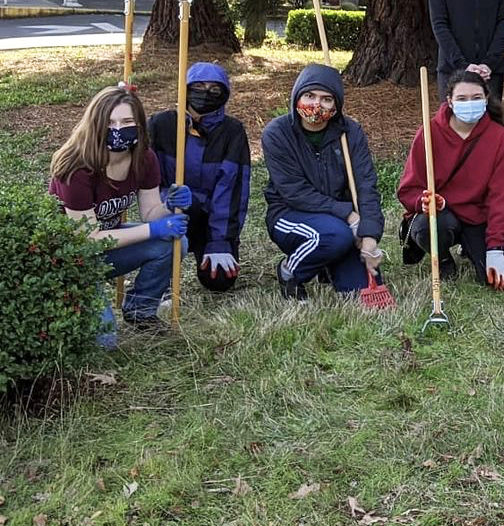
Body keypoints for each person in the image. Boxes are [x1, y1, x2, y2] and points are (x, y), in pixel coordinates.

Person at [49, 86, 190, 341]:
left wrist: (168, 205)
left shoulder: (144, 158)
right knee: (106, 341)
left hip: (107, 250)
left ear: (139, 125)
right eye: (109, 122)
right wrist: (153, 230)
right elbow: (87, 240)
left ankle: (140, 310)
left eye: (126, 122)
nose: (117, 129)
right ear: (95, 124)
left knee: (174, 243)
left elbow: (150, 213)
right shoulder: (76, 168)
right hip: (69, 258)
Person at [261, 64, 385, 301]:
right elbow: (294, 192)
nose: (316, 105)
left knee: (358, 291)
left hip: (339, 220)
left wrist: (369, 237)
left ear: (336, 105)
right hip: (291, 213)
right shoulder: (277, 133)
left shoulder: (350, 132)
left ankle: (328, 263)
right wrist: (348, 215)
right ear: (297, 96)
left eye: (326, 99)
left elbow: (366, 185)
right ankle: (290, 272)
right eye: (309, 96)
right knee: (334, 236)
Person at [397, 70, 504, 289]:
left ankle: (473, 247)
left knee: (498, 281)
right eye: (462, 99)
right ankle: (442, 259)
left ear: (486, 99)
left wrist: (496, 247)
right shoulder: (429, 132)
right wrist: (423, 202)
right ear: (450, 102)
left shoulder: (500, 138)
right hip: (441, 215)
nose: (469, 103)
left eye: (476, 98)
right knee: (428, 226)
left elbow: (501, 196)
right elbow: (409, 189)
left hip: (476, 217)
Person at [148, 62, 250, 293]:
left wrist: (220, 241)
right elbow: (146, 175)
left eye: (214, 89)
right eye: (199, 86)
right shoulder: (161, 124)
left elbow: (231, 190)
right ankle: (159, 276)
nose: (206, 93)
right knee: (179, 210)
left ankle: (210, 245)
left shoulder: (232, 131)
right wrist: (165, 203)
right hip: (171, 211)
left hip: (209, 216)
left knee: (220, 279)